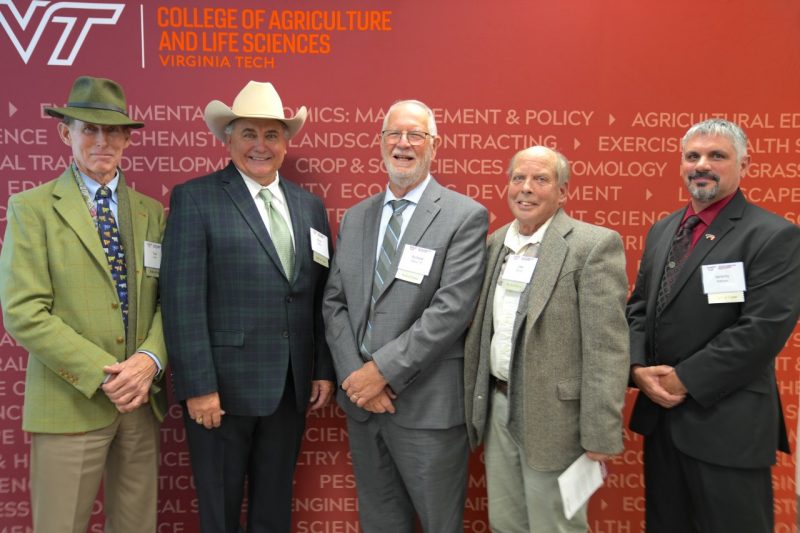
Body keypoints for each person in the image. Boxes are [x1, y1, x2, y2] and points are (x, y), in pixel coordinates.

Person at [160, 80, 335, 533]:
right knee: (219, 514)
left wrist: (321, 368)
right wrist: (198, 386)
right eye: (249, 134)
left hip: (289, 389)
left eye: (271, 134)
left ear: (286, 142)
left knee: (273, 513)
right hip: (221, 392)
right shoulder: (195, 198)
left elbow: (319, 296)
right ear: (228, 139)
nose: (261, 145)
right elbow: (180, 300)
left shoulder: (310, 207)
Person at [0, 75, 167, 532]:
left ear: (127, 139)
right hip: (69, 402)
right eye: (88, 129)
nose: (101, 141)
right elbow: (24, 312)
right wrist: (105, 373)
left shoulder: (151, 212)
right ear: (65, 133)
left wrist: (148, 361)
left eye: (112, 130)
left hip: (139, 403)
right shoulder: (31, 208)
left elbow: (169, 301)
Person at [322, 99, 488, 532]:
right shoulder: (356, 217)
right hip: (363, 405)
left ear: (435, 144)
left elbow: (451, 311)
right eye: (394, 134)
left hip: (427, 408)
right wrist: (356, 379)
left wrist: (382, 372)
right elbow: (334, 304)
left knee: (439, 524)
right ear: (380, 142)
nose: (403, 143)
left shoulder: (464, 216)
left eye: (416, 134)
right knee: (380, 523)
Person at [628, 118, 800, 533]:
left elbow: (761, 330)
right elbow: (638, 310)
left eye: (716, 155)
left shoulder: (774, 235)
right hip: (662, 424)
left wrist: (682, 380)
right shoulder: (663, 229)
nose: (701, 165)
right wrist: (637, 369)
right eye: (693, 156)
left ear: (744, 164)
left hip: (729, 428)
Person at [464, 146, 629, 532]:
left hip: (557, 420)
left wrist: (600, 431)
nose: (526, 188)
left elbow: (606, 349)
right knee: (505, 523)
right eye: (518, 178)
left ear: (563, 192)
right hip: (498, 406)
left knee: (555, 526)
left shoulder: (592, 246)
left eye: (540, 179)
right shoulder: (495, 244)